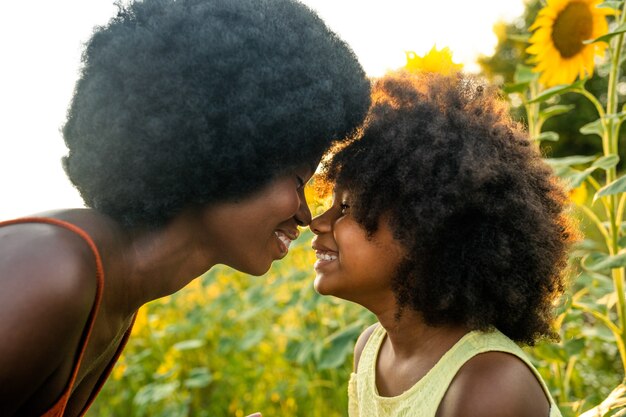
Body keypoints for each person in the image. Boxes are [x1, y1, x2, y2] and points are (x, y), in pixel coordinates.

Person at [0, 0, 370, 415]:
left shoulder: (117, 287)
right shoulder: (54, 273)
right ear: (229, 152)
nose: (305, 214)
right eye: (299, 182)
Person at [310, 71, 576, 417]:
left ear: (423, 230)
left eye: (347, 207)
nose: (317, 223)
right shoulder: (370, 349)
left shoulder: (488, 385)